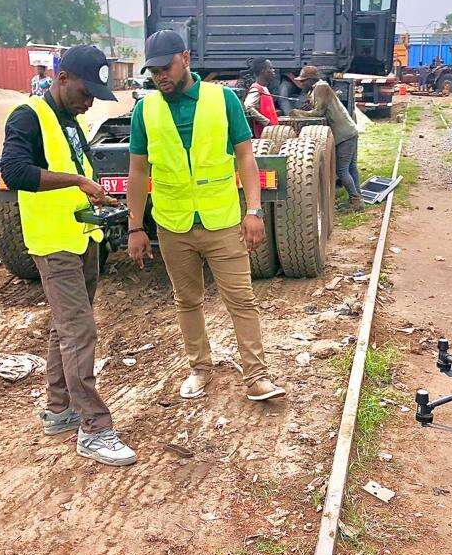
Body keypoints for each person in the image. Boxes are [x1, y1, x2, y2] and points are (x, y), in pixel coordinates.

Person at [126, 30, 286, 403]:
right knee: (187, 300)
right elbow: (137, 171)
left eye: (166, 67)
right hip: (173, 223)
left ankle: (257, 376)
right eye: (153, 71)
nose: (160, 76)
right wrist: (135, 226)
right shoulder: (145, 110)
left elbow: (246, 156)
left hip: (222, 220)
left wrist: (253, 210)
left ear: (185, 58)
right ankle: (199, 367)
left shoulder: (223, 99)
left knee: (241, 299)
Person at [0, 45, 137, 467]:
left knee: (67, 329)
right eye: (85, 90)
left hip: (82, 235)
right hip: (53, 243)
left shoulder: (72, 122)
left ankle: (60, 409)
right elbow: (14, 171)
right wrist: (77, 180)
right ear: (61, 78)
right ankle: (95, 429)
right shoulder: (28, 116)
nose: (90, 100)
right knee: (80, 330)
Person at [291, 65, 364, 211]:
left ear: (310, 80)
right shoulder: (316, 89)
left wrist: (298, 112)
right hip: (349, 131)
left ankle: (355, 201)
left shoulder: (321, 87)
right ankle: (358, 199)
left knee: (342, 170)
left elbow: (318, 113)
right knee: (351, 167)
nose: (301, 83)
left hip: (344, 134)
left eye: (303, 81)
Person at [243, 58, 280, 137]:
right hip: (264, 134)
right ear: (263, 71)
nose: (273, 70)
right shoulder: (256, 89)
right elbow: (248, 106)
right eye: (270, 68)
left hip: (270, 132)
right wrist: (266, 122)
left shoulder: (264, 88)